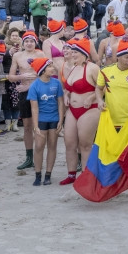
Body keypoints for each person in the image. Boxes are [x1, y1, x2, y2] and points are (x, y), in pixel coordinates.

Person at [57, 38, 100, 185]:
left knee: (85, 144)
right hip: (73, 109)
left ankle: (86, 175)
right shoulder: (73, 67)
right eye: (72, 51)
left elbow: (103, 88)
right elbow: (68, 87)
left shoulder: (92, 68)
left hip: (89, 109)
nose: (72, 54)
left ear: (84, 54)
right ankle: (71, 174)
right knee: (69, 143)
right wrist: (67, 95)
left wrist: (92, 97)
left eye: (75, 52)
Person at [10, 30, 47, 170]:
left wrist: (29, 86)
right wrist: (21, 78)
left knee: (39, 126)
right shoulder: (18, 56)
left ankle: (39, 156)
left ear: (35, 42)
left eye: (32, 41)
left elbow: (46, 75)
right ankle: (29, 157)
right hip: (24, 93)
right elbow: (11, 76)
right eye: (27, 41)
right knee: (27, 126)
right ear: (23, 42)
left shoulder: (40, 54)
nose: (29, 43)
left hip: (38, 91)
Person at [26, 57, 64, 186]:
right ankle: (37, 174)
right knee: (39, 146)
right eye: (49, 67)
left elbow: (60, 102)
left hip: (54, 119)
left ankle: (48, 174)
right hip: (41, 120)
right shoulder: (34, 86)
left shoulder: (56, 83)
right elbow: (34, 108)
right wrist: (35, 126)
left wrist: (61, 120)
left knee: (52, 146)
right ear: (42, 70)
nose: (53, 68)